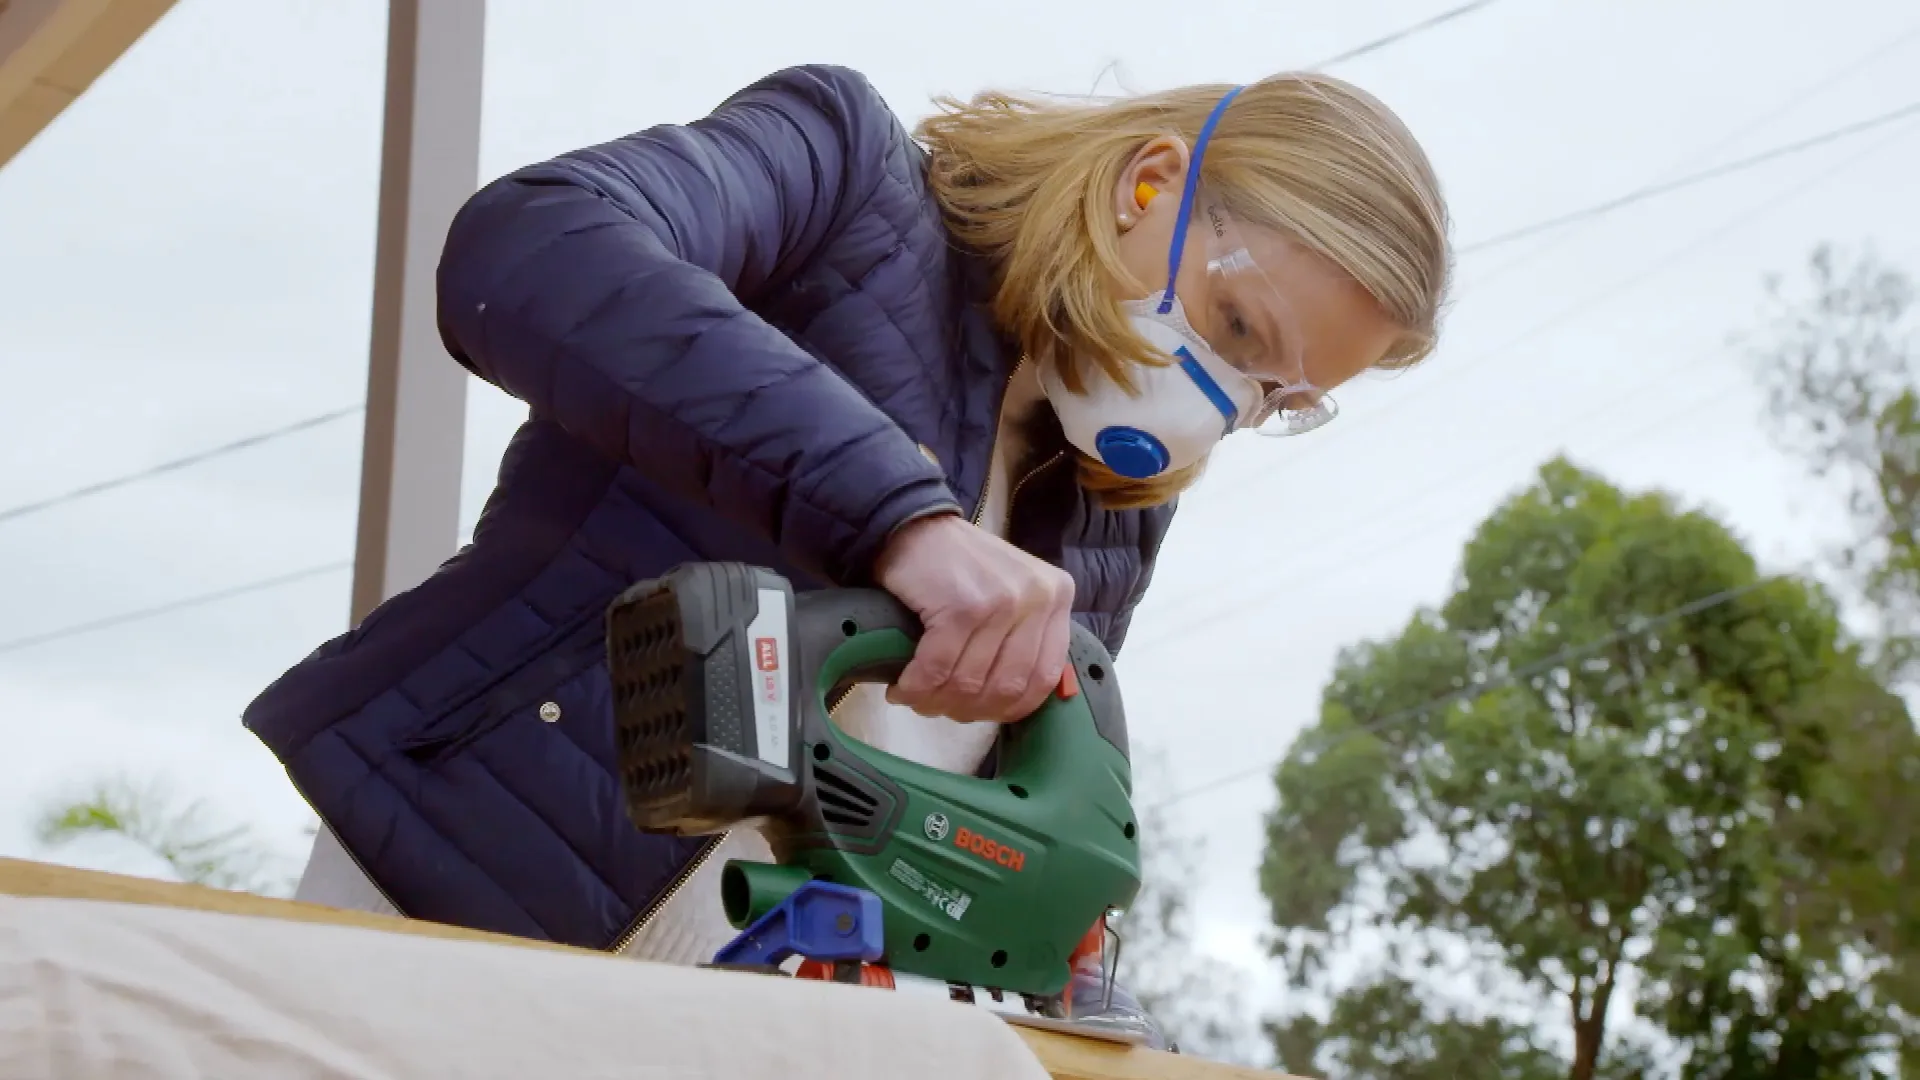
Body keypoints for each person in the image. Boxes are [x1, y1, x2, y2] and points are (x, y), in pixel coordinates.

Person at [243, 63, 1449, 1042]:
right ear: (1150, 182)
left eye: (1274, 396)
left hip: (765, 1021)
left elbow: (986, 805)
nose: (1223, 403)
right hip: (459, 908)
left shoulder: (1114, 496)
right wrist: (901, 520)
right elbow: (529, 248)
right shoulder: (852, 181)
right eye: (1238, 329)